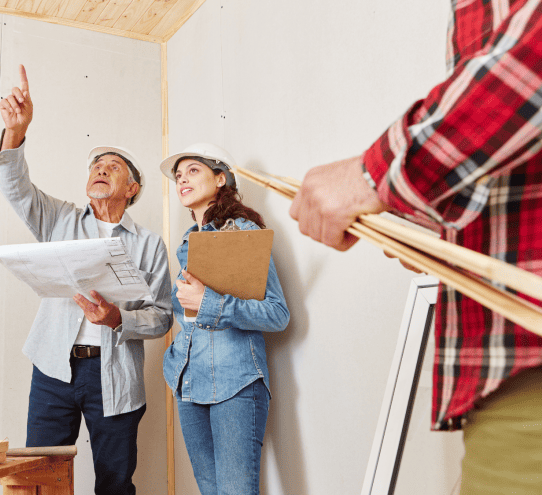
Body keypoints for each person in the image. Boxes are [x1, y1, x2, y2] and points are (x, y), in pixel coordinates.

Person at [287, 2, 542, 493]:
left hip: (526, 358)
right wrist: (444, 230)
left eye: (194, 169)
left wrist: (373, 174)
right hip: (503, 370)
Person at [0, 65, 172, 495]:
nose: (101, 169)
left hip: (113, 377)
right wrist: (15, 134)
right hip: (53, 367)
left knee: (114, 483)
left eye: (113, 167)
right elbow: (16, 187)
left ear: (131, 189)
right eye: (96, 165)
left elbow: (163, 317)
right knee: (40, 476)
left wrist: (118, 321)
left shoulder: (150, 245)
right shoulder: (58, 218)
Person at [160, 143, 290, 495]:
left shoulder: (242, 230)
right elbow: (187, 317)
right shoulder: (188, 242)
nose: (182, 179)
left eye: (193, 171)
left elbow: (277, 314)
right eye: (178, 176)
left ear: (220, 178)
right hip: (187, 382)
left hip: (235, 383)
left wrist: (210, 303)